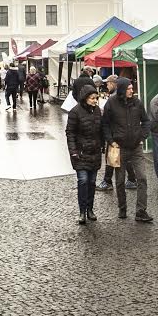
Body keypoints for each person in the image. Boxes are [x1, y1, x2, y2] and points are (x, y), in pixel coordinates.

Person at [104, 79, 153, 222]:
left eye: (132, 88)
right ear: (121, 89)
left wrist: (143, 136)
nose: (132, 91)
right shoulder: (111, 103)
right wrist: (111, 141)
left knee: (142, 178)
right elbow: (105, 125)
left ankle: (141, 211)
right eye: (129, 88)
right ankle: (122, 208)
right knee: (119, 181)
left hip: (136, 147)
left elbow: (146, 121)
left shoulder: (137, 102)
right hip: (119, 148)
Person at [65, 85, 105, 224]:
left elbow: (101, 130)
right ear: (85, 98)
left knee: (92, 182)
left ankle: (90, 209)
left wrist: (103, 145)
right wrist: (73, 151)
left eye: (96, 98)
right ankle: (82, 211)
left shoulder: (97, 112)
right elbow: (70, 132)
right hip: (81, 153)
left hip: (94, 153)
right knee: (83, 181)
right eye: (93, 98)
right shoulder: (75, 112)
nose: (95, 100)